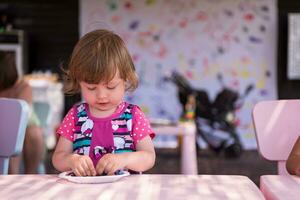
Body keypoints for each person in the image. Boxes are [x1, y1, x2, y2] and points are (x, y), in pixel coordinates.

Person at [52, 29, 156, 176]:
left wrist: (124, 159)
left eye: (111, 86)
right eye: (91, 88)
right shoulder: (75, 116)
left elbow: (149, 157)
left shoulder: (133, 116)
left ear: (125, 79)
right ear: (79, 83)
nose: (101, 95)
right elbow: (58, 158)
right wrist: (71, 160)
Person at [0, 51, 45, 174]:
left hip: (25, 127)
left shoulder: (23, 87)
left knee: (28, 133)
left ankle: (27, 176)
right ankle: (10, 177)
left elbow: (22, 116)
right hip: (3, 128)